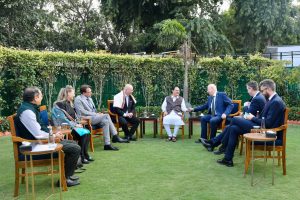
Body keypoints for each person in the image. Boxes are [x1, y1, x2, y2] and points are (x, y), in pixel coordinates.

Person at [14, 87, 81, 187]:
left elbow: (39, 130)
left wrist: (54, 135)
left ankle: (66, 176)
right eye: (41, 95)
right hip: (33, 148)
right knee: (74, 148)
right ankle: (65, 180)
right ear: (35, 97)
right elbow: (38, 134)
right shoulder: (27, 112)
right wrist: (53, 136)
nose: (42, 97)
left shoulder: (29, 108)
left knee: (72, 144)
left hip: (37, 143)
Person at [217, 79, 285, 167]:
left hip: (268, 133)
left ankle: (221, 143)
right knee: (233, 128)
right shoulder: (273, 100)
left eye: (262, 91)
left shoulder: (276, 102)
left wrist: (252, 117)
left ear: (268, 89)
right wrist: (253, 118)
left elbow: (267, 123)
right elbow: (264, 118)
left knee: (234, 120)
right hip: (263, 128)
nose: (262, 93)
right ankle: (228, 159)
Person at [202, 81, 267, 154]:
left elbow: (247, 114)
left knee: (234, 120)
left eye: (247, 89)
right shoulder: (257, 97)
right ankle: (220, 147)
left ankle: (214, 143)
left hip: (256, 125)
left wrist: (245, 106)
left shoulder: (257, 98)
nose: (247, 91)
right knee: (231, 128)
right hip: (254, 122)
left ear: (251, 88)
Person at [74, 85, 128, 151]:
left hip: (93, 117)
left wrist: (98, 114)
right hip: (84, 118)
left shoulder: (90, 99)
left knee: (106, 121)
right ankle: (115, 136)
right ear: (83, 93)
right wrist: (96, 114)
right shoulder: (78, 99)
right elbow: (82, 112)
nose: (91, 93)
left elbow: (93, 110)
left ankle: (107, 145)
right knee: (106, 115)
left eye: (91, 91)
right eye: (89, 92)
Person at [52, 85, 94, 164]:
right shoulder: (58, 105)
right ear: (68, 93)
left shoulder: (69, 103)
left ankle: (85, 154)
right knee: (84, 134)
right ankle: (81, 156)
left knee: (87, 132)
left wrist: (77, 123)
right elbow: (63, 120)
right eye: (73, 93)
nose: (74, 95)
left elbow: (74, 116)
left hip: (71, 127)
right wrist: (75, 125)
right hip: (64, 129)